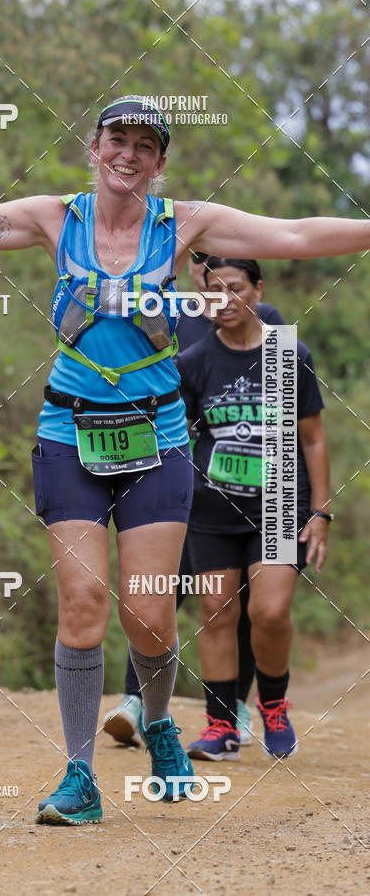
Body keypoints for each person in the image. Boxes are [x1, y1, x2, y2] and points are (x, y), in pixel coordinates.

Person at [0, 94, 364, 823]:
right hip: (69, 434)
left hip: (157, 442)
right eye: (117, 139)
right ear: (94, 146)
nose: (128, 155)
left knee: (148, 618)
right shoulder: (55, 217)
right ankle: (79, 775)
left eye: (145, 145)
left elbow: (298, 231)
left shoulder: (186, 224)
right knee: (83, 605)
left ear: (160, 162)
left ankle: (156, 722)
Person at [103, 252, 284, 749]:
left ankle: (236, 706)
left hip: (239, 490)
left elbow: (284, 404)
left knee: (234, 601)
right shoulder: (166, 312)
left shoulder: (265, 321)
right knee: (160, 585)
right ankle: (135, 701)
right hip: (171, 474)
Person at [176, 256, 330, 761]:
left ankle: (274, 705)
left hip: (282, 498)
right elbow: (179, 437)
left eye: (235, 288)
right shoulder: (195, 361)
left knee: (269, 610)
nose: (224, 301)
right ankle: (220, 727)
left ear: (258, 290)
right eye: (213, 291)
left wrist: (321, 513)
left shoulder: (289, 355)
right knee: (216, 612)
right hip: (211, 507)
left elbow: (311, 440)